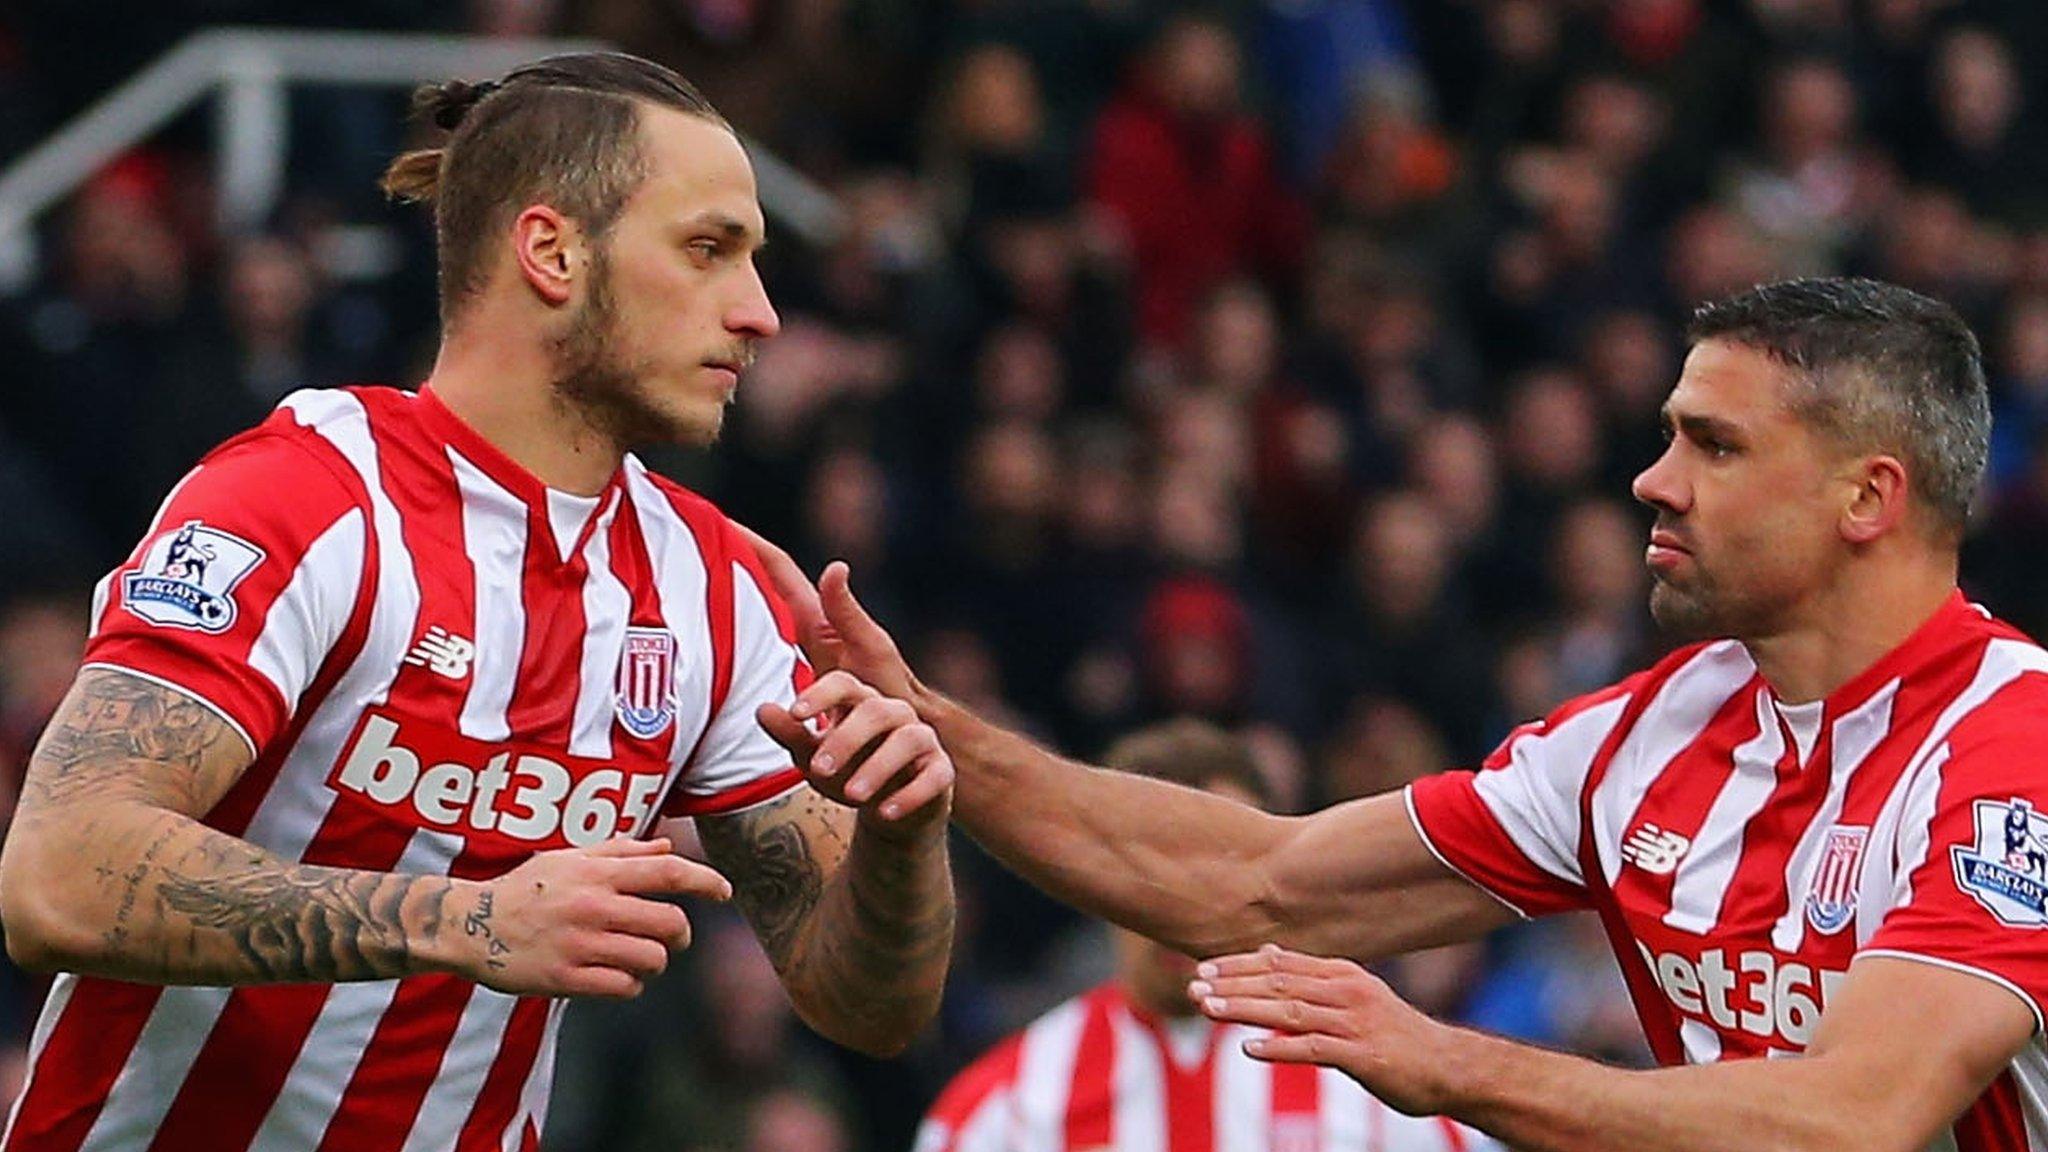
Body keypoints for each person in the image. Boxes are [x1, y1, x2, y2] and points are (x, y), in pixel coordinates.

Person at [757, 277, 2048, 1151]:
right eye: (1668, 436)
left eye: (1712, 446)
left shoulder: (2012, 749)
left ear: (1867, 498)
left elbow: (1855, 1117)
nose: (1653, 480)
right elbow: (1257, 879)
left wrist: (1447, 1065)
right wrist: (937, 733)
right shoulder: (1648, 736)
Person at [0, 53, 956, 1152]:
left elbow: (869, 1007)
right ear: (552, 252)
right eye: (708, 251)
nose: (760, 314)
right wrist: (472, 922)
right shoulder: (305, 499)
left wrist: (900, 837)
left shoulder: (711, 585)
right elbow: (56, 876)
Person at [915, 719, 1493, 1152]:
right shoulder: (1005, 1113)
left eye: (1217, 872)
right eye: (1151, 870)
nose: (1184, 907)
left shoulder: (1383, 1094)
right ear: (1094, 881)